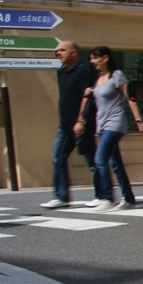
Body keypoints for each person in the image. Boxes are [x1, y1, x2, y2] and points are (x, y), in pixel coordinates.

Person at [76, 46, 143, 211]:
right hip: (101, 124)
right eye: (92, 59)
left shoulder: (117, 75)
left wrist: (138, 120)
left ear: (105, 58)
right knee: (115, 163)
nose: (93, 61)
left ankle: (107, 198)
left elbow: (130, 98)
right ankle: (128, 199)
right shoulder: (99, 79)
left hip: (115, 123)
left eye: (95, 58)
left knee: (100, 159)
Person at [42, 40, 97, 209]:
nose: (58, 53)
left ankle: (103, 195)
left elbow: (86, 98)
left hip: (82, 125)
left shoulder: (83, 72)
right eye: (57, 51)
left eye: (62, 50)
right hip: (64, 126)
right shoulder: (61, 73)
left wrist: (81, 120)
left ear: (73, 53)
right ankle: (61, 197)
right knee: (57, 158)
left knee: (93, 162)